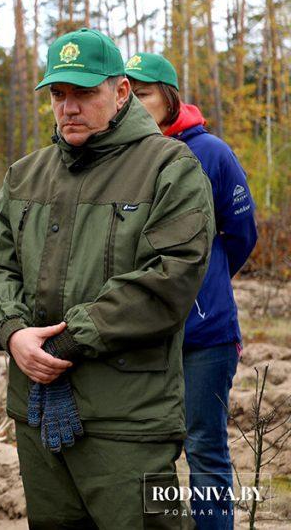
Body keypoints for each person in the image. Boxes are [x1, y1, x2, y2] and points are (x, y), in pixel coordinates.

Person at [0, 28, 215, 529]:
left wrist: (66, 343)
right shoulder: (26, 174)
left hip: (129, 421)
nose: (69, 108)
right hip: (37, 411)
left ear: (121, 91)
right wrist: (14, 332)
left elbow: (169, 280)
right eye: (59, 95)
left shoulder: (171, 168)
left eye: (84, 93)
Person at [127, 52, 257, 529]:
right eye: (128, 94)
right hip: (140, 335)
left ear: (169, 95)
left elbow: (241, 234)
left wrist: (206, 284)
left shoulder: (212, 153)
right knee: (147, 455)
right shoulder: (122, 154)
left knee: (205, 451)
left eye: (143, 94)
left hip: (205, 337)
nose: (134, 104)